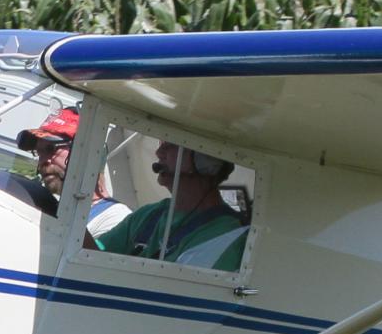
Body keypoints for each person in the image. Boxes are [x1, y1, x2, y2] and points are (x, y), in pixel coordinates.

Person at [95, 140, 248, 272]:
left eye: (171, 145)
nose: (159, 152)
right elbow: (91, 254)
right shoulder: (150, 214)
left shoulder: (226, 234)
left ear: (204, 160)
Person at [16, 107, 130, 238]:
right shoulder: (59, 206)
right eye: (38, 152)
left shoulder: (116, 219)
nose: (42, 161)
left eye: (51, 149)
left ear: (86, 152)